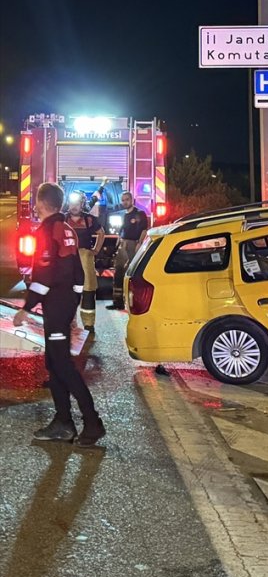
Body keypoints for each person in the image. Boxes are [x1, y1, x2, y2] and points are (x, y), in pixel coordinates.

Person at [13, 182, 105, 446]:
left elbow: (44, 276)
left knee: (62, 364)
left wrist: (26, 308)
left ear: (40, 203)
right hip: (63, 304)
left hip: (55, 305)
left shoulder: (47, 231)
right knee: (53, 363)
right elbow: (77, 273)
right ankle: (63, 422)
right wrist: (72, 301)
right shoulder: (66, 229)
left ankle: (92, 423)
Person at [64, 191, 105, 331]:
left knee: (88, 291)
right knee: (67, 292)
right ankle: (68, 321)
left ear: (82, 204)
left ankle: (89, 324)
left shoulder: (90, 220)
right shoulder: (63, 219)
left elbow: (101, 233)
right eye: (72, 203)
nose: (74, 206)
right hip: (68, 261)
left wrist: (96, 250)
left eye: (77, 203)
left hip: (85, 260)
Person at [107, 191, 149, 310]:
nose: (125, 202)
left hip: (133, 244)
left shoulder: (139, 214)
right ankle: (117, 302)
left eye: (127, 200)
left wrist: (139, 243)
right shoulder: (125, 215)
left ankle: (134, 301)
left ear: (132, 200)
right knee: (118, 272)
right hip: (123, 244)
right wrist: (119, 241)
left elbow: (144, 230)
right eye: (123, 200)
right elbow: (122, 230)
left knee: (132, 272)